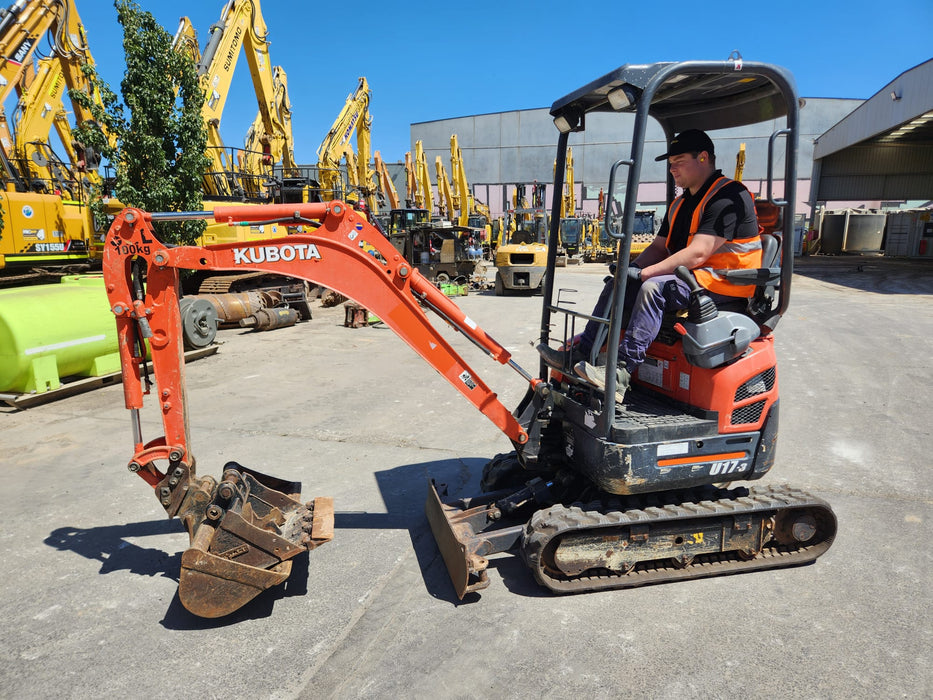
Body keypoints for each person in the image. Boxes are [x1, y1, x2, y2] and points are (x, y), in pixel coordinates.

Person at [537, 129, 762, 402]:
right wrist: (629, 269)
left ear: (703, 158)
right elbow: (658, 247)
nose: (672, 169)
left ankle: (619, 374)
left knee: (652, 287)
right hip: (692, 280)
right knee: (619, 283)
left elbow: (699, 252)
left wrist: (644, 273)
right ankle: (582, 354)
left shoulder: (728, 196)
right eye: (670, 163)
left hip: (723, 284)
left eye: (679, 160)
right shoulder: (681, 203)